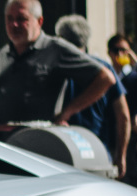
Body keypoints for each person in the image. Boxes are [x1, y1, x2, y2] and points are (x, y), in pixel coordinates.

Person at [0, 0, 114, 126]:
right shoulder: (2, 54)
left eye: (22, 19)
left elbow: (105, 78)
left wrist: (67, 112)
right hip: (4, 141)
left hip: (41, 141)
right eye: (9, 18)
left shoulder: (55, 48)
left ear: (39, 21)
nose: (14, 24)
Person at [53, 15, 130, 173]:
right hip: (99, 152)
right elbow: (124, 116)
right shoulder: (103, 67)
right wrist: (121, 155)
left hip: (62, 152)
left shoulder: (57, 68)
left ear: (61, 40)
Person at [109, 33, 137, 185]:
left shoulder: (136, 75)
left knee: (133, 176)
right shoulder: (108, 76)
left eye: (125, 50)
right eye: (117, 50)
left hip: (134, 134)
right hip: (113, 134)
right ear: (110, 52)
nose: (120, 54)